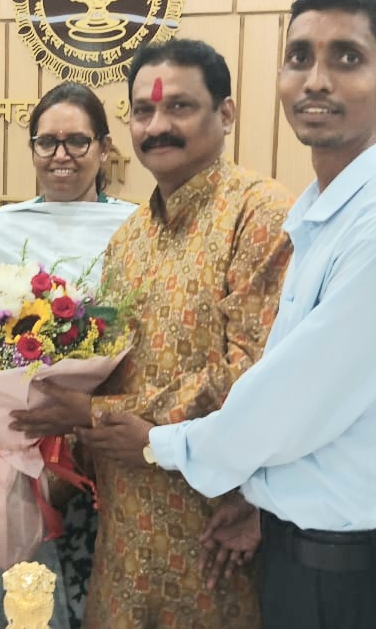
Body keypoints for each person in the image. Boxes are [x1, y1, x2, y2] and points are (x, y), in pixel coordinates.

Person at [89, 0, 376, 629]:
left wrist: (149, 439)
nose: (316, 80)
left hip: (331, 561)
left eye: (347, 58)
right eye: (299, 58)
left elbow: (281, 395)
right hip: (222, 521)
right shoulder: (318, 217)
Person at [14, 39, 293, 628]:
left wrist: (97, 413)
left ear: (226, 113)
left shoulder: (259, 214)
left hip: (214, 528)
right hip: (123, 528)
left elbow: (256, 375)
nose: (157, 126)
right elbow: (104, 366)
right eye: (143, 111)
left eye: (179, 107)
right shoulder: (129, 238)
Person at [0, 82, 138, 629]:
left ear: (104, 148)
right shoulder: (2, 227)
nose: (61, 155)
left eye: (77, 141)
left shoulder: (134, 228)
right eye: (46, 142)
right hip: (12, 450)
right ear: (31, 147)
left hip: (102, 448)